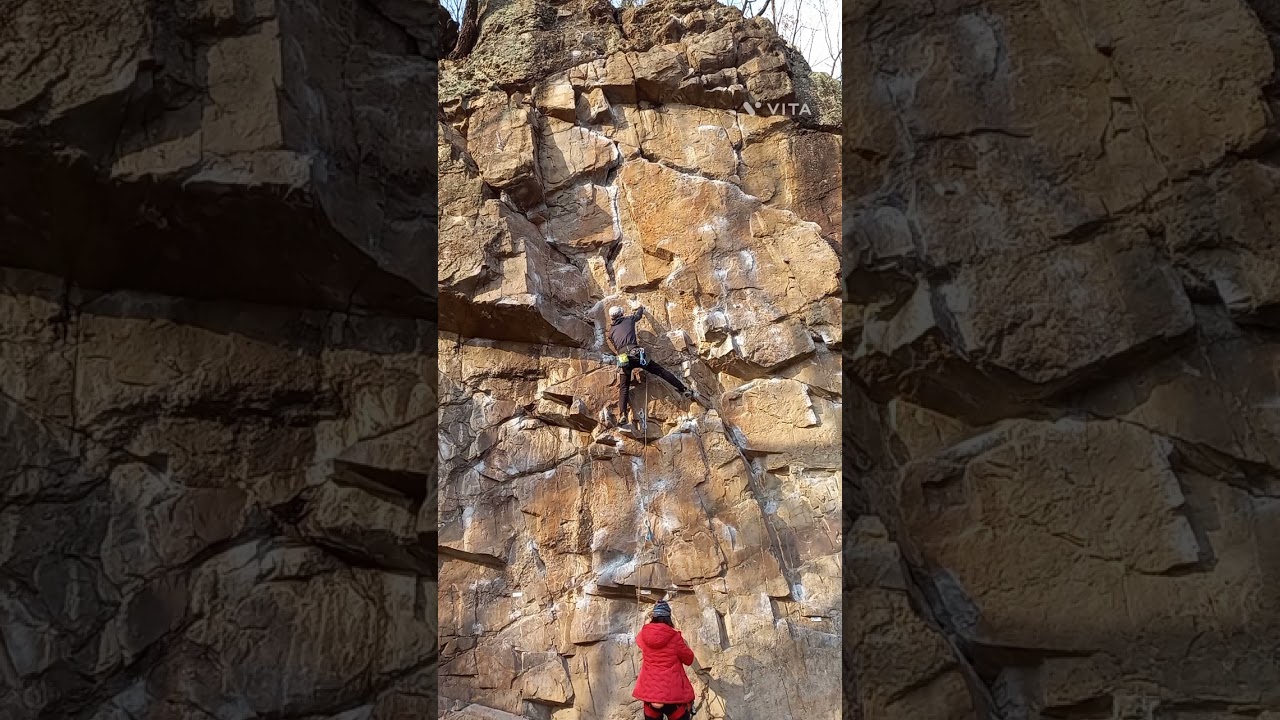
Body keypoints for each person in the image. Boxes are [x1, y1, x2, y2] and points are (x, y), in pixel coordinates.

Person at [605, 301, 694, 431]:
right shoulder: (629, 319)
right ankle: (683, 389)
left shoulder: (611, 332)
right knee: (660, 371)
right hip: (636, 355)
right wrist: (641, 308)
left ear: (612, 318)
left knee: (624, 387)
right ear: (621, 314)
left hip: (623, 359)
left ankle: (623, 414)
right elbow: (638, 315)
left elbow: (616, 346)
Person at [632, 600, 696, 720]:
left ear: (654, 617)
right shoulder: (675, 637)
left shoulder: (643, 635)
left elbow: (639, 641)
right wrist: (684, 643)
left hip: (651, 695)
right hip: (673, 696)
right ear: (668, 618)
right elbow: (689, 659)